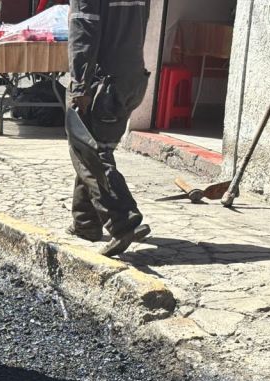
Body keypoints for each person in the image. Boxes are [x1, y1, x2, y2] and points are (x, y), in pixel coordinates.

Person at [65, 0, 151, 257]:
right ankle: (85, 223)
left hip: (104, 82)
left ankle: (122, 220)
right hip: (131, 79)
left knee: (91, 152)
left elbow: (84, 32)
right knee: (91, 145)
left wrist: (80, 86)